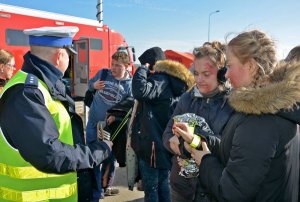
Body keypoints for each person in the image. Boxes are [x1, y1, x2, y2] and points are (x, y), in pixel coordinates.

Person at [174, 30, 299, 202]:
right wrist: (197, 140)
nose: (225, 74)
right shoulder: (268, 109)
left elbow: (231, 192)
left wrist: (204, 160)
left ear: (250, 66)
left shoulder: (260, 121)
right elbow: (235, 149)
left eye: (230, 66)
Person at [0, 26, 113, 202]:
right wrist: (98, 152)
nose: (70, 60)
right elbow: (49, 154)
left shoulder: (42, 86)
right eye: (70, 54)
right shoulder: (26, 93)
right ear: (60, 56)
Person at [162, 41, 233, 202]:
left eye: (206, 74)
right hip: (181, 188)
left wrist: (192, 141)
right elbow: (166, 134)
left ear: (222, 73)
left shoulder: (232, 104)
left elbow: (230, 147)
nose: (199, 79)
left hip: (211, 191)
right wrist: (177, 144)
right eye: (196, 73)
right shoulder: (187, 98)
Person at [131, 56, 195, 202]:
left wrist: (142, 68)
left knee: (152, 188)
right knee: (164, 185)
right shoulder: (177, 83)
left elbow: (140, 91)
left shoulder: (160, 80)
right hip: (167, 142)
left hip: (152, 145)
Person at [85, 51, 132, 200]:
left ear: (127, 66)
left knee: (109, 159)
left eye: (117, 65)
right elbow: (89, 85)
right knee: (92, 156)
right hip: (93, 125)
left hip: (111, 129)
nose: (113, 68)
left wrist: (116, 116)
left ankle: (104, 186)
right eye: (112, 64)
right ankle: (95, 190)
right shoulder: (103, 73)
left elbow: (129, 107)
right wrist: (93, 85)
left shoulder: (130, 85)